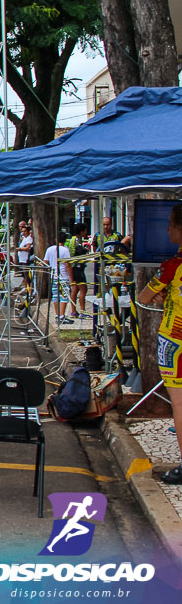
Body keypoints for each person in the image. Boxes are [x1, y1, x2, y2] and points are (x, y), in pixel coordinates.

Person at [137, 204, 182, 484]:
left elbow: (143, 297)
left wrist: (164, 299)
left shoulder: (172, 266)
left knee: (179, 404)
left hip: (175, 342)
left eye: (170, 224)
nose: (167, 229)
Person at [43, 231, 74, 325]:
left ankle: (58, 315)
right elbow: (67, 264)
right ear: (65, 240)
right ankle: (61, 315)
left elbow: (45, 261)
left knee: (56, 296)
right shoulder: (65, 250)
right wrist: (71, 279)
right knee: (64, 296)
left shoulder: (50, 249)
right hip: (63, 276)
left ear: (56, 239)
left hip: (53, 276)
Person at [67, 222, 89, 318]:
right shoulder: (77, 241)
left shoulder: (72, 240)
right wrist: (86, 250)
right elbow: (80, 252)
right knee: (83, 289)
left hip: (73, 268)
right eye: (85, 230)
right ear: (82, 231)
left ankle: (73, 311)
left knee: (74, 289)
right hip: (78, 268)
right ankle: (83, 311)